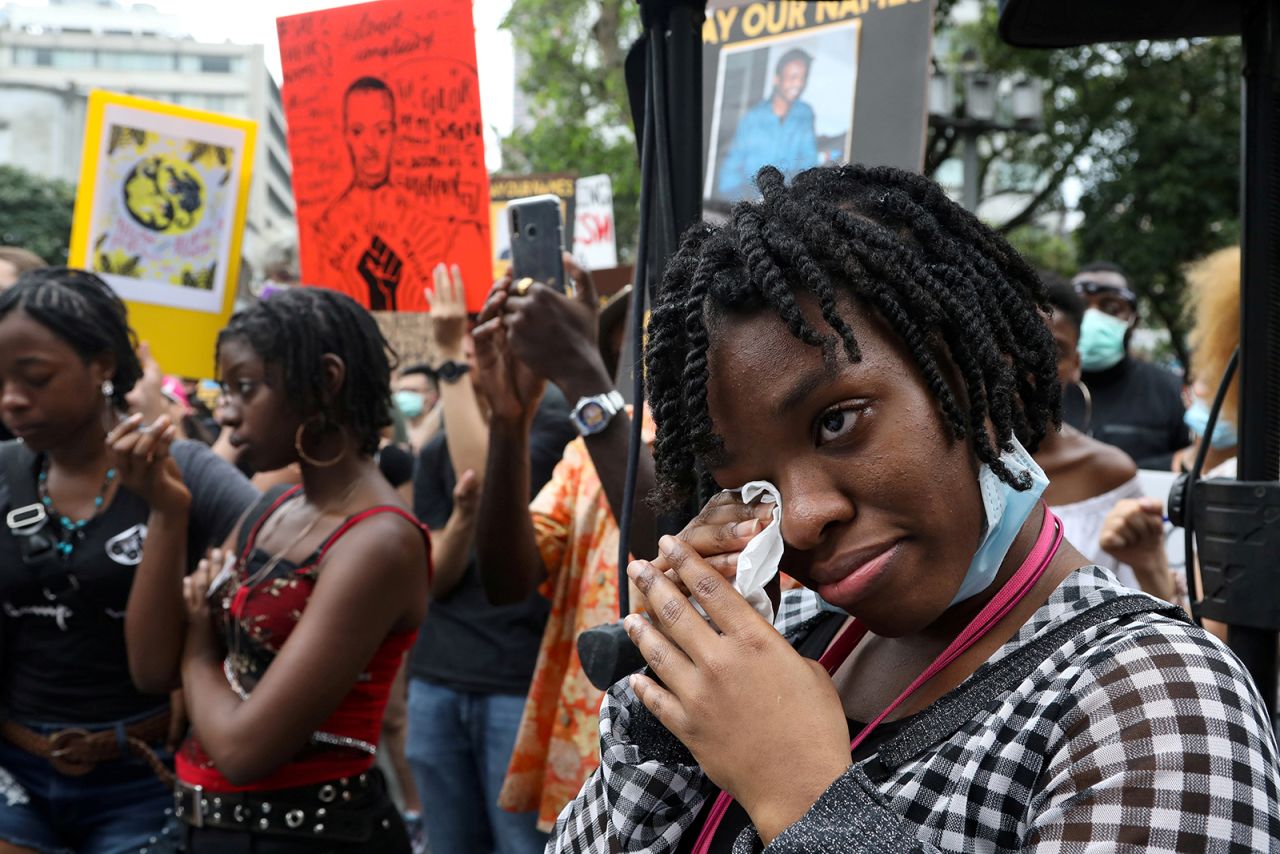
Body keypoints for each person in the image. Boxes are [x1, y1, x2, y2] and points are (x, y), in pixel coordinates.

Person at [550, 165, 1280, 852]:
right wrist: (674, 712)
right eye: (749, 484)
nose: (800, 518)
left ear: (987, 364)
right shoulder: (779, 648)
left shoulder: (1154, 701)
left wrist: (804, 798)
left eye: (838, 421)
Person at [119, 286, 431, 852]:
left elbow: (243, 751)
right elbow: (148, 669)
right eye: (223, 388)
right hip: (201, 829)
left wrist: (197, 643)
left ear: (327, 380)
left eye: (245, 387)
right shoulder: (271, 509)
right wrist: (167, 513)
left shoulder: (380, 541)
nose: (225, 408)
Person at [0, 268, 256, 854]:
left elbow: (277, 585)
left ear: (103, 365)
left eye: (35, 377)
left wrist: (202, 641)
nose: (11, 399)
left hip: (147, 774)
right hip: (13, 772)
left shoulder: (189, 474)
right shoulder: (4, 473)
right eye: (0, 379)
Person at [470, 260, 710, 832]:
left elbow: (678, 544)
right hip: (586, 775)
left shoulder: (726, 445)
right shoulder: (592, 443)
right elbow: (506, 582)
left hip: (682, 783)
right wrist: (508, 422)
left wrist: (583, 380)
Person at [405, 265, 576, 853]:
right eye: (473, 337)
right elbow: (438, 573)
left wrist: (449, 357)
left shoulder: (550, 423)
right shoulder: (433, 448)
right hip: (437, 682)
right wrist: (455, 521)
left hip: (512, 684)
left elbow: (490, 480)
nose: (483, 350)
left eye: (490, 336)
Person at [1100, 245, 1246, 613]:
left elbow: (1212, 645)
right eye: (1203, 382)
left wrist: (1151, 567)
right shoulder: (1230, 482)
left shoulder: (1236, 484)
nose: (1207, 390)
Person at [1032, 274, 1150, 592]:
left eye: (1054, 351)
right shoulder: (956, 462)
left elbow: (1141, 597)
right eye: (1021, 344)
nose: (1035, 364)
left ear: (1075, 364)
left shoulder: (1110, 473)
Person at [1068, 261, 1189, 469]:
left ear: (1134, 321)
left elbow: (1193, 461)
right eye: (1080, 307)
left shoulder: (1172, 391)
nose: (1091, 317)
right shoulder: (1036, 393)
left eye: (1112, 307)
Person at [716, 49, 819, 200]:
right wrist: (743, 202)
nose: (799, 83)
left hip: (789, 204)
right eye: (793, 77)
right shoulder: (753, 117)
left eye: (803, 77)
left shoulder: (805, 113)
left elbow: (810, 162)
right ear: (777, 79)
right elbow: (730, 172)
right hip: (750, 203)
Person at [393, 364, 442, 453]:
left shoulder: (442, 435)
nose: (404, 396)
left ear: (433, 396)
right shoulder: (393, 434)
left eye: (412, 391)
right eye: (401, 391)